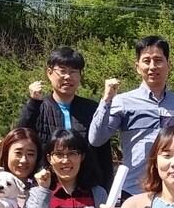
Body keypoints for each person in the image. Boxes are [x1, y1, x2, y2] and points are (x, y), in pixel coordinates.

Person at [89, 35, 174, 197]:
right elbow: (96, 139)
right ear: (137, 67)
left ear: (168, 65)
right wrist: (106, 99)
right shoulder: (122, 102)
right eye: (147, 61)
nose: (153, 66)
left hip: (173, 190)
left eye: (158, 60)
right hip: (133, 189)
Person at [19, 46, 114, 188]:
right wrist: (33, 103)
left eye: (73, 72)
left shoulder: (91, 108)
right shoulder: (37, 107)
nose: (67, 77)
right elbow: (20, 139)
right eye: (62, 71)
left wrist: (106, 188)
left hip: (86, 186)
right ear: (49, 73)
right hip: (45, 185)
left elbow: (103, 153)